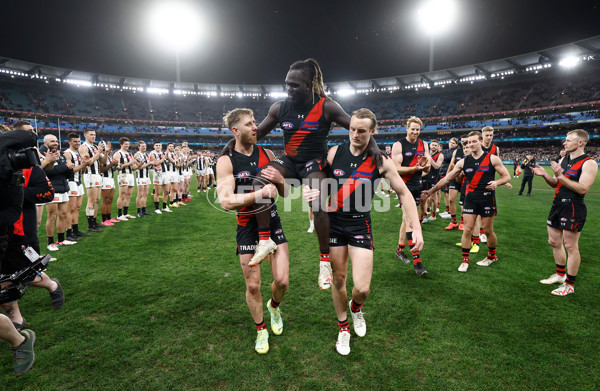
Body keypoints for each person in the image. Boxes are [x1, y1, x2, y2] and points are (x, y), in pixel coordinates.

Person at [225, 59, 379, 290]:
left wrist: (374, 145)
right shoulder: (279, 108)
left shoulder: (328, 107)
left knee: (317, 202)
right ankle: (265, 240)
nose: (289, 89)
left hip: (314, 163)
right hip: (288, 161)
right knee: (258, 181)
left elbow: (356, 126)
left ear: (309, 85)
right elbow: (257, 134)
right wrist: (231, 142)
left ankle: (324, 261)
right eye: (287, 84)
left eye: (294, 85)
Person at [304, 108, 422, 356]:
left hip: (360, 226)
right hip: (334, 225)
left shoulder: (380, 161)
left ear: (372, 131)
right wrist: (310, 191)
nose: (355, 135)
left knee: (363, 289)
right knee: (339, 279)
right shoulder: (336, 152)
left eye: (361, 131)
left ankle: (356, 308)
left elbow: (404, 193)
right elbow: (317, 178)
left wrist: (417, 227)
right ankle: (343, 327)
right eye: (352, 129)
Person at [216, 108, 289, 354]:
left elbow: (285, 192)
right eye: (249, 124)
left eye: (255, 122)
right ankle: (261, 330)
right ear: (235, 130)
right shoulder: (226, 161)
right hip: (247, 227)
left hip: (272, 222)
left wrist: (279, 181)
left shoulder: (266, 153)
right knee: (254, 286)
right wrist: (259, 194)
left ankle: (274, 306)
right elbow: (226, 202)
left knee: (282, 280)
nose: (256, 127)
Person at [422, 131, 511, 272]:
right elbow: (447, 178)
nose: (471, 144)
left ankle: (492, 256)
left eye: (474, 141)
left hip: (487, 198)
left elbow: (507, 176)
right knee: (468, 229)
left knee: (488, 230)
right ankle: (465, 260)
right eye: (469, 142)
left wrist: (497, 182)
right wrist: (430, 191)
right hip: (470, 198)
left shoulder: (493, 159)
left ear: (480, 142)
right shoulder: (463, 162)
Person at [532, 129, 598, 296]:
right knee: (554, 241)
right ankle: (560, 275)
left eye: (568, 140)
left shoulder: (589, 163)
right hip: (557, 205)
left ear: (580, 143)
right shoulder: (563, 159)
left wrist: (560, 176)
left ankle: (569, 284)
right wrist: (546, 175)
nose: (564, 143)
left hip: (573, 206)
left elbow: (583, 188)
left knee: (570, 246)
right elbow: (555, 183)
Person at [392, 116, 430, 276]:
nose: (415, 131)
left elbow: (426, 170)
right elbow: (395, 169)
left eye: (418, 129)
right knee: (410, 221)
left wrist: (425, 167)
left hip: (417, 184)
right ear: (407, 128)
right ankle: (417, 263)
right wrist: (414, 168)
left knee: (406, 219)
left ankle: (399, 251)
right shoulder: (399, 145)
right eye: (412, 128)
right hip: (403, 185)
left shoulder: (424, 145)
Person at [42, 135, 77, 250]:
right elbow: (47, 173)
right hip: (52, 189)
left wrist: (69, 169)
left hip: (63, 188)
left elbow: (66, 173)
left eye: (56, 141)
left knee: (63, 215)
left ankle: (61, 239)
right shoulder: (43, 154)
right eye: (52, 141)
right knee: (52, 216)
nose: (55, 143)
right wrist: (65, 167)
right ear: (45, 142)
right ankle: (50, 242)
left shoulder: (61, 155)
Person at [63, 132, 90, 241]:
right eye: (75, 141)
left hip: (79, 182)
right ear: (69, 142)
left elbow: (82, 171)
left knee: (77, 208)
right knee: (71, 208)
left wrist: (85, 164)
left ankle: (75, 230)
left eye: (79, 141)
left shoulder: (79, 153)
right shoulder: (67, 153)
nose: (78, 143)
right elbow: (70, 171)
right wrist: (82, 165)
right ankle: (68, 233)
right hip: (71, 182)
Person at [79, 129, 105, 232]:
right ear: (85, 136)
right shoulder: (83, 147)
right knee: (91, 200)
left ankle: (94, 221)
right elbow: (88, 162)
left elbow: (103, 161)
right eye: (91, 135)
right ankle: (90, 225)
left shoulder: (94, 147)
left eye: (94, 134)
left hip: (97, 175)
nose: (93, 136)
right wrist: (98, 153)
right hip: (90, 175)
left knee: (97, 200)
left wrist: (104, 151)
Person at [113, 137, 137, 221]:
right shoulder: (118, 154)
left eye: (128, 144)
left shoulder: (129, 154)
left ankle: (125, 213)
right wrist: (130, 163)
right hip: (123, 175)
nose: (127, 145)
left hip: (131, 175)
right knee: (122, 195)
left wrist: (137, 165)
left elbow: (133, 167)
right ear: (121, 144)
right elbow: (118, 167)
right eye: (125, 144)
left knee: (129, 195)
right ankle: (119, 215)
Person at [99, 142, 119, 226]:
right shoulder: (101, 157)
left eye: (111, 149)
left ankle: (109, 218)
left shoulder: (110, 157)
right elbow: (102, 170)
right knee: (105, 200)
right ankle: (104, 220)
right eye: (108, 148)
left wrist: (115, 165)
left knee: (110, 200)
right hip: (105, 179)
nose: (110, 150)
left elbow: (111, 168)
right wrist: (112, 164)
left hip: (111, 179)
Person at [438, 138, 458, 219]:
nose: (451, 144)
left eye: (453, 143)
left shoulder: (455, 151)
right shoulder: (448, 151)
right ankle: (448, 210)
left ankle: (450, 211)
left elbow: (446, 157)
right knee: (445, 193)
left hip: (449, 174)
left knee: (449, 193)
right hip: (443, 173)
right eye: (450, 142)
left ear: (456, 144)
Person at [149, 142, 171, 214]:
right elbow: (156, 163)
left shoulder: (162, 153)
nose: (158, 146)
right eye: (157, 145)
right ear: (154, 146)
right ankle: (157, 208)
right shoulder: (152, 154)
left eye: (159, 145)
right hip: (158, 174)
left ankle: (164, 207)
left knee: (167, 191)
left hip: (165, 173)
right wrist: (164, 157)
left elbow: (167, 162)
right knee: (157, 192)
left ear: (161, 147)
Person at [134, 141, 152, 217]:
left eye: (145, 146)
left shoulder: (147, 155)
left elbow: (148, 166)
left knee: (145, 194)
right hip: (140, 177)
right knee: (140, 194)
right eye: (142, 146)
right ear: (139, 147)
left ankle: (144, 210)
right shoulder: (137, 155)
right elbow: (140, 167)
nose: (144, 147)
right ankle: (138, 211)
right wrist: (149, 163)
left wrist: (155, 167)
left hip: (147, 176)